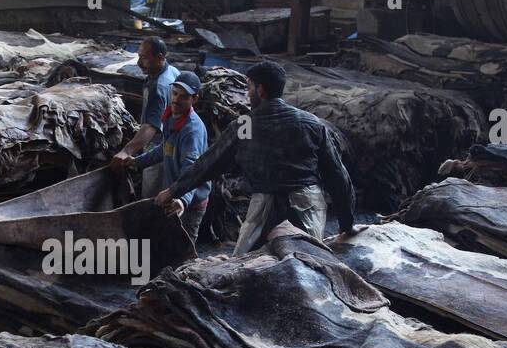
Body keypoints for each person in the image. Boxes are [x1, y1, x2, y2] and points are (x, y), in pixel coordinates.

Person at [156, 60, 356, 255]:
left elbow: (210, 163)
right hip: (308, 207)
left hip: (265, 209)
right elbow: (337, 175)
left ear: (260, 90)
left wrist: (175, 189)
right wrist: (346, 224)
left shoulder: (246, 125)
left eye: (249, 87)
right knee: (311, 264)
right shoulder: (311, 122)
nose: (248, 93)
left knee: (242, 270)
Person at [112, 70, 211, 244]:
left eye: (183, 96)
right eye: (174, 93)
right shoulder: (171, 118)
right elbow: (164, 149)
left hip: (190, 203)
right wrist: (137, 162)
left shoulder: (192, 130)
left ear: (194, 99)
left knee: (183, 249)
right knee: (166, 242)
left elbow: (192, 169)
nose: (176, 99)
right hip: (175, 193)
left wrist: (183, 200)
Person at [111, 36, 179, 193]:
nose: (139, 63)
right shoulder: (172, 71)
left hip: (158, 147)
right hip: (172, 142)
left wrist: (126, 151)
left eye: (144, 58)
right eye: (139, 57)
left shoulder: (158, 86)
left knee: (151, 195)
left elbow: (151, 127)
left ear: (160, 58)